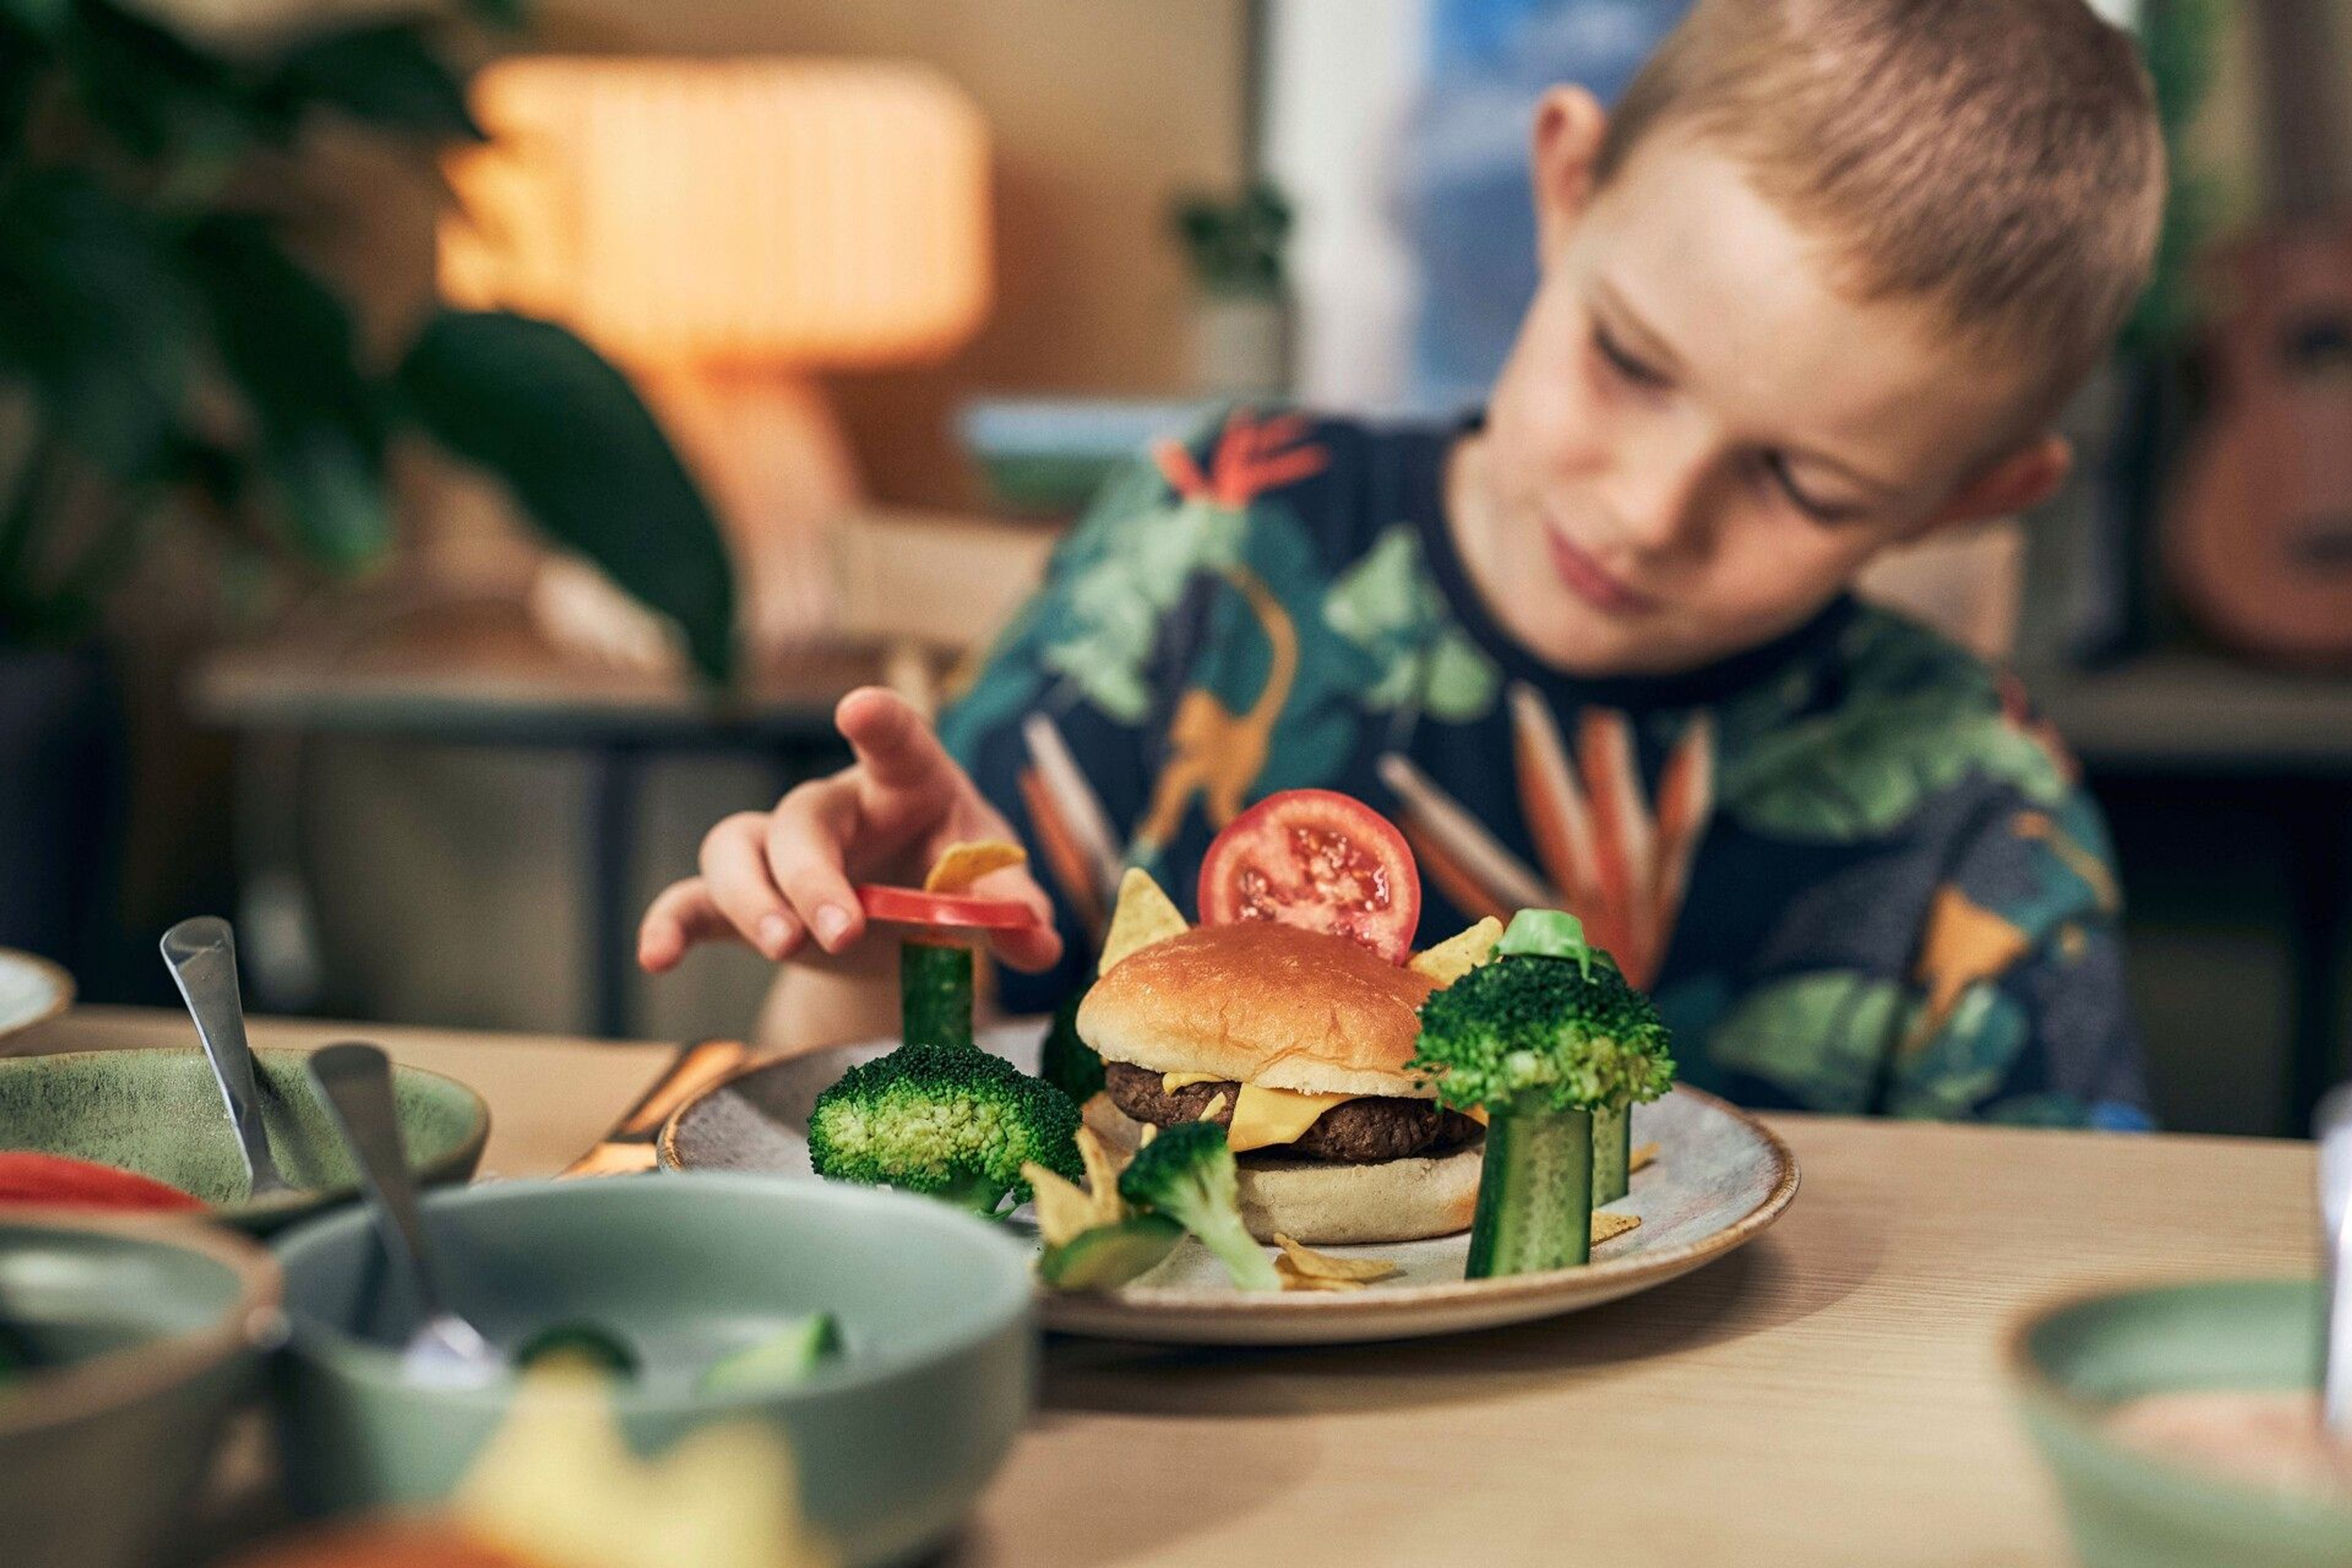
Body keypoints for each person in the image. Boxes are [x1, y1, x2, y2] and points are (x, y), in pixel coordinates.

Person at [639, 0, 2165, 1127]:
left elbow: (2027, 1276)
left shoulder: (1979, 803)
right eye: (1628, 362)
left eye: (1802, 482)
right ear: (1564, 189)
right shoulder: (1218, 537)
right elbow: (910, 1121)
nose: (1645, 511)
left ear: (1971, 495)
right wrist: (882, 944)